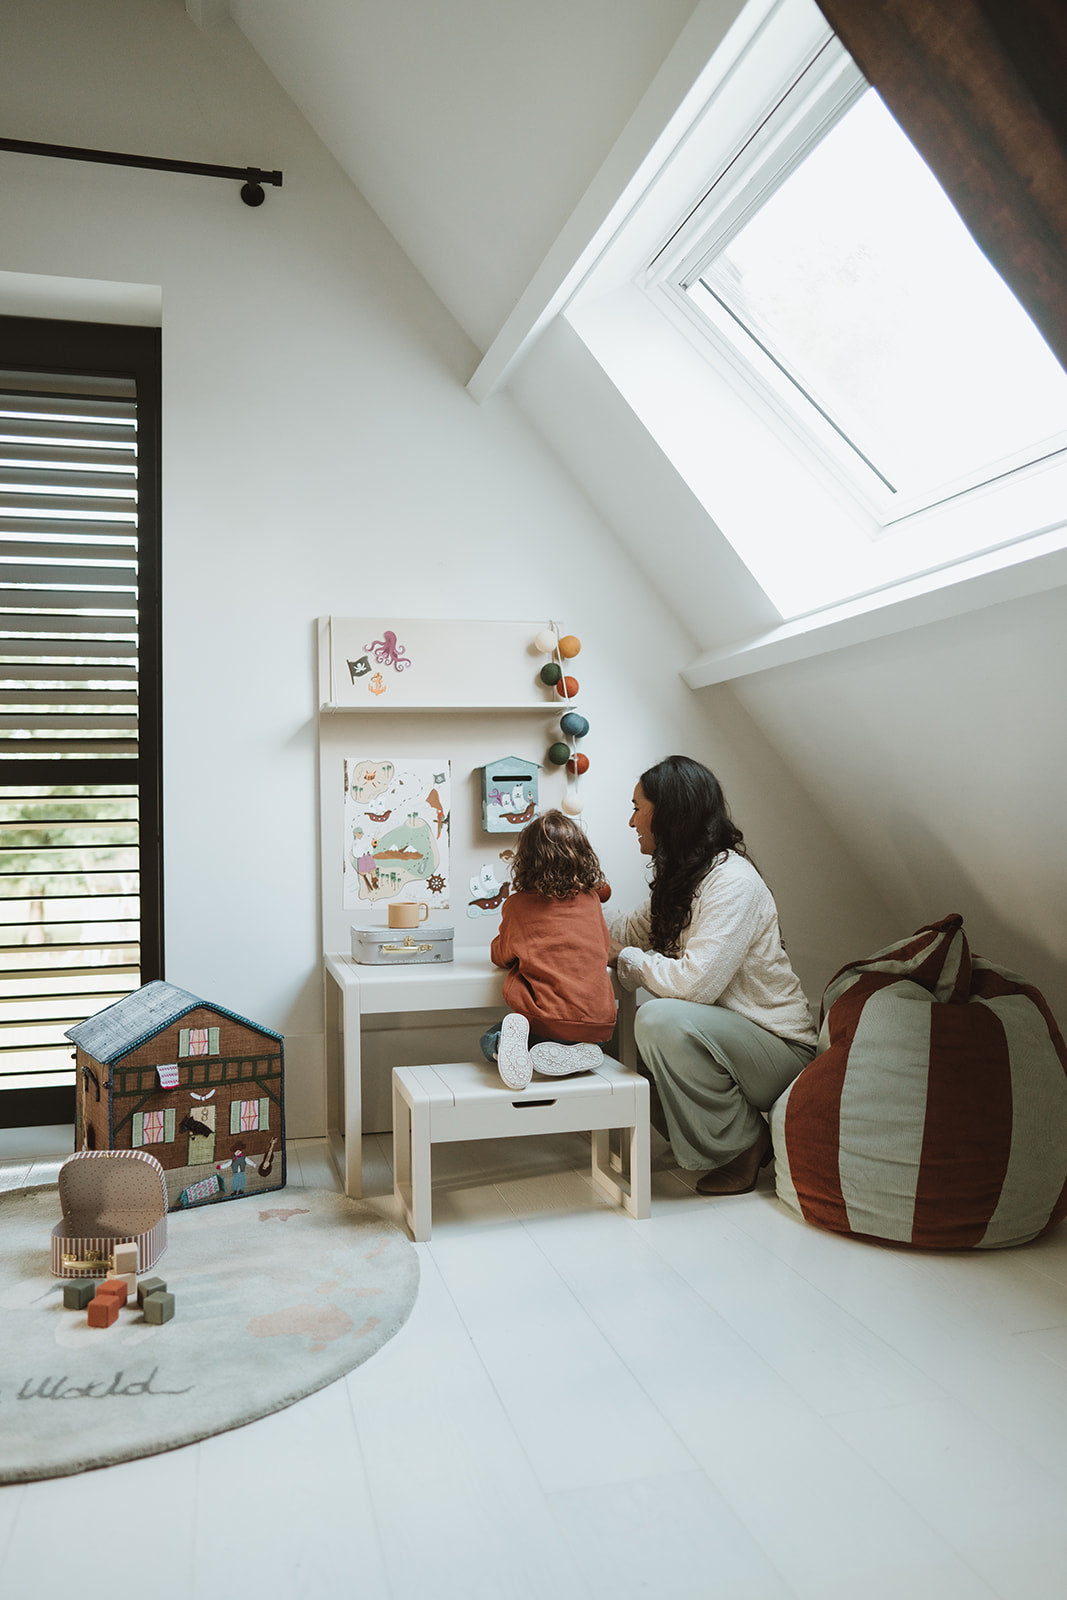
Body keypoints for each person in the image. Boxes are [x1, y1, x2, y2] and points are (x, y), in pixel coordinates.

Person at [607, 755, 816, 1194]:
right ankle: (719, 1140)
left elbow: (694, 986)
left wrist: (627, 958)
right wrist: (565, 908)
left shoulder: (731, 882)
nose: (631, 821)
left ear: (668, 812)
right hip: (729, 1042)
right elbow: (623, 931)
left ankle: (745, 1145)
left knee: (659, 1019)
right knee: (607, 1026)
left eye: (636, 807)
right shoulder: (684, 879)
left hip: (779, 1048)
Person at [483, 809, 617, 1090]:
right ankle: (578, 1053)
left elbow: (502, 955)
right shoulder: (591, 901)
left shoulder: (519, 904)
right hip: (598, 1027)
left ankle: (504, 1045)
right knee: (577, 1039)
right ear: (582, 857)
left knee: (488, 1038)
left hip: (546, 1022)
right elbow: (603, 947)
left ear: (526, 862)